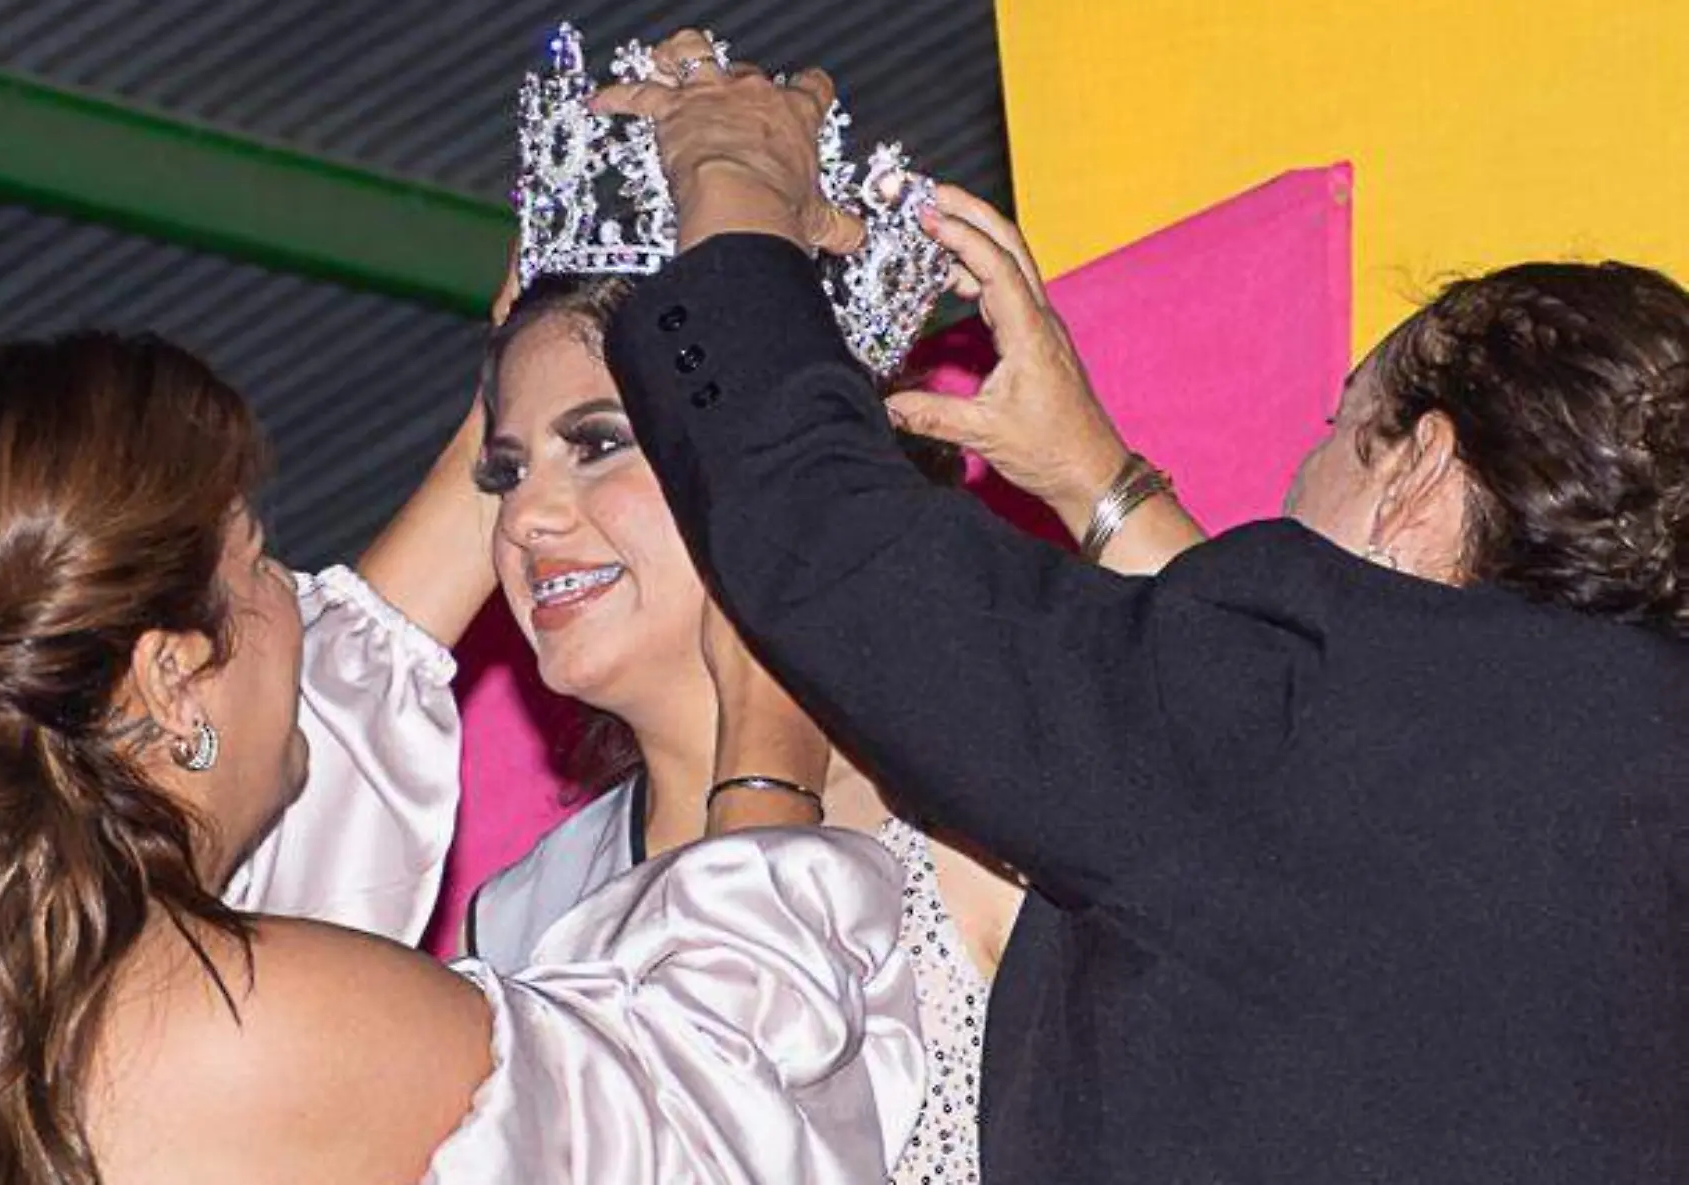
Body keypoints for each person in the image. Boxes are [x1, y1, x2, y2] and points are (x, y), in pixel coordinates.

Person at [592, 31, 1689, 1185]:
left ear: (1418, 470)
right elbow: (1265, 764)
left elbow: (828, 536)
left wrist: (733, 182)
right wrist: (1093, 478)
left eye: (1330, 432)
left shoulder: (1318, 724)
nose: (1292, 469)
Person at [0, 332, 924, 1184]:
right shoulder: (226, 1023)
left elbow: (326, 718)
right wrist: (770, 738)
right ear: (172, 679)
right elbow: (714, 1128)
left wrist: (527, 384)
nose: (303, 605)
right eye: (266, 563)